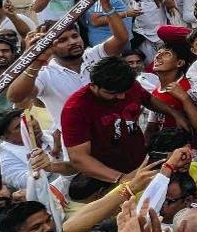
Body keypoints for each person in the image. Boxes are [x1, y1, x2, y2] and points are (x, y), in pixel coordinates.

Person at [61, 56, 189, 183]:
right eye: (113, 93)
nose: (122, 97)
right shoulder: (75, 109)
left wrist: (174, 113)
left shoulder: (127, 85)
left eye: (124, 91)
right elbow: (79, 158)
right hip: (108, 176)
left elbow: (148, 99)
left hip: (140, 161)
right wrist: (121, 178)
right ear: (93, 86)